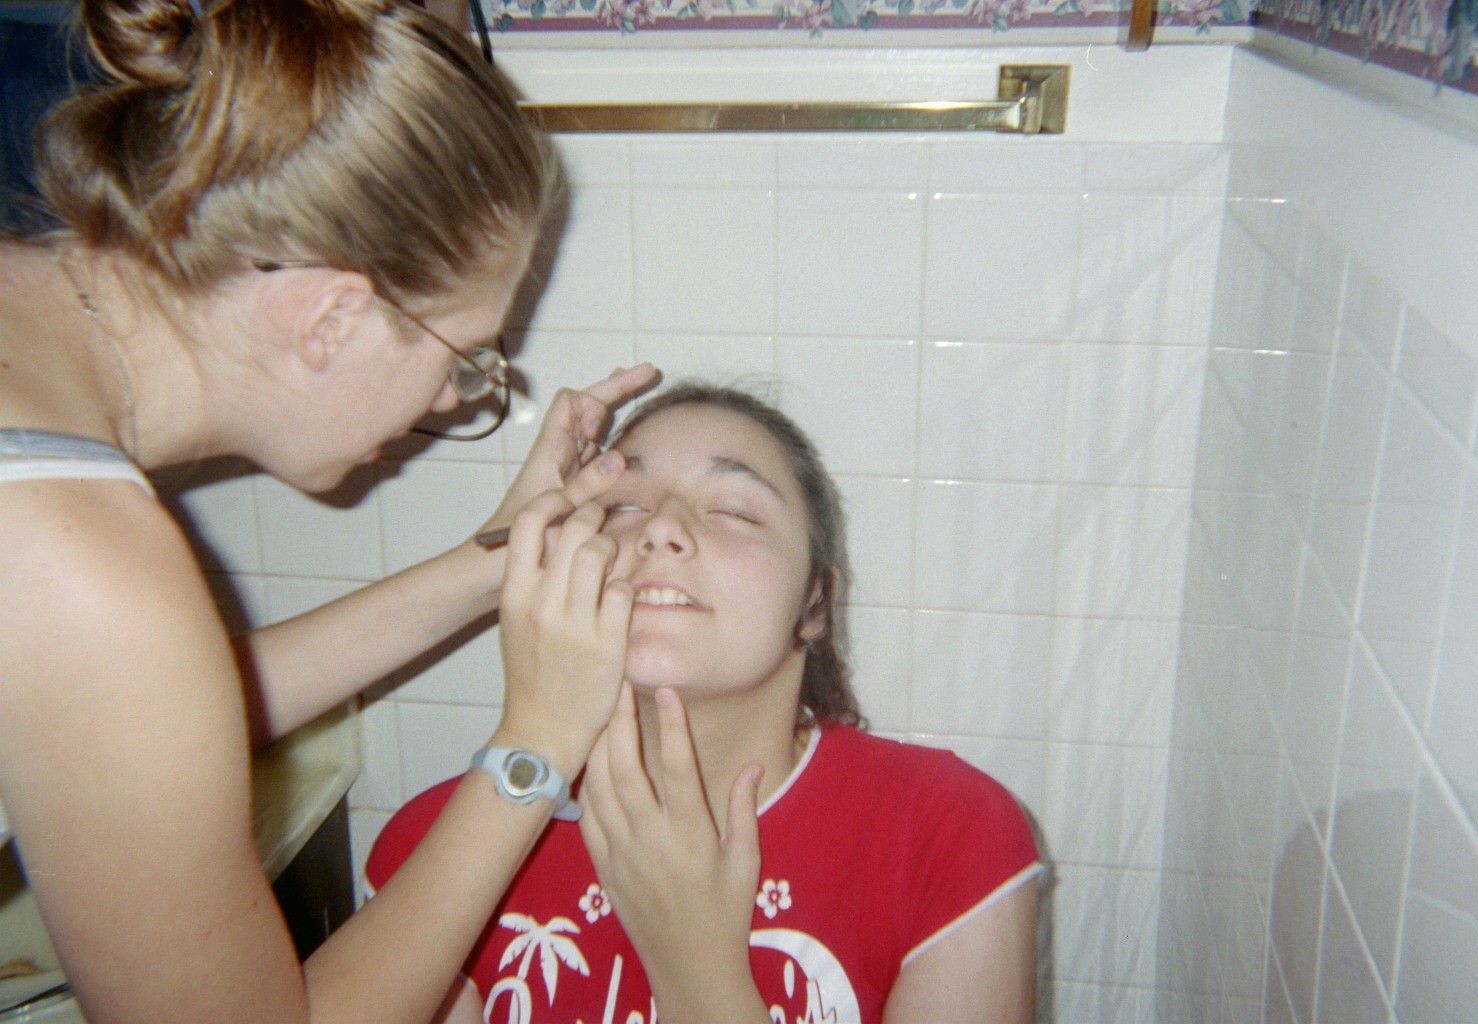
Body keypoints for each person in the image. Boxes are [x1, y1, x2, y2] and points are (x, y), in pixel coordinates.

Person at [0, 1, 658, 1021]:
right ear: (333, 317)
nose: (458, 401)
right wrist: (540, 738)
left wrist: (490, 564)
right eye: (465, 360)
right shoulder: (83, 562)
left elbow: (130, 715)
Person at [368, 383, 1044, 1023]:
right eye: (623, 507)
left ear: (815, 603)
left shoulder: (945, 837)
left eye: (735, 512)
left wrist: (697, 973)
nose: (661, 529)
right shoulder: (431, 853)